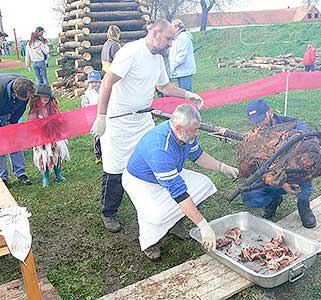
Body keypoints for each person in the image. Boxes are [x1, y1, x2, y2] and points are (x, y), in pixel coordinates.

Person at [90, 19, 206, 233]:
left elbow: (164, 86)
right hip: (118, 121)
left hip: (142, 119)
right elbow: (106, 82)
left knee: (154, 163)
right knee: (114, 168)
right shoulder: (130, 52)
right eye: (168, 38)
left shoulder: (157, 59)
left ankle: (166, 212)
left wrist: (187, 94)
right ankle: (109, 212)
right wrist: (101, 117)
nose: (171, 43)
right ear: (155, 33)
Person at [122, 104, 239, 260]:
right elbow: (179, 193)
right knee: (155, 216)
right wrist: (203, 225)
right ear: (178, 128)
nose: (197, 133)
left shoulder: (187, 133)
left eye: (198, 128)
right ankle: (150, 242)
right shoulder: (159, 149)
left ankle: (176, 223)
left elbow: (197, 155)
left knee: (204, 184)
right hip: (141, 181)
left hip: (170, 173)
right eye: (194, 130)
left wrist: (222, 167)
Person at [242, 99, 316, 228]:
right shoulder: (256, 133)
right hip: (270, 173)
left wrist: (291, 138)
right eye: (255, 122)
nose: (259, 125)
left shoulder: (293, 123)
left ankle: (303, 205)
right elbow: (258, 165)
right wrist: (282, 184)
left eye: (261, 120)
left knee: (306, 180)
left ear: (270, 112)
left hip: (293, 172)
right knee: (250, 197)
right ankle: (273, 200)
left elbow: (303, 130)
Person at [28, 84, 70, 187]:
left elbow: (60, 118)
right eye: (43, 96)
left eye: (47, 96)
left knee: (57, 154)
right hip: (42, 138)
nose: (45, 98)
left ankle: (58, 173)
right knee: (44, 157)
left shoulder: (53, 108)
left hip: (55, 136)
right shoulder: (34, 111)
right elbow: (32, 124)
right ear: (38, 97)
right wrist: (41, 124)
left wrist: (59, 120)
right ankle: (45, 177)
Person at [0, 74, 36, 187]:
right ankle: (2, 177)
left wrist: (13, 122)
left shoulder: (25, 86)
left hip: (10, 114)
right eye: (25, 98)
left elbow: (21, 107)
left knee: (15, 144)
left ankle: (21, 173)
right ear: (15, 93)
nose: (27, 100)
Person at [169, 19, 196, 92]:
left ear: (177, 27)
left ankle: (189, 103)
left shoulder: (183, 38)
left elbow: (182, 56)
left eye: (172, 28)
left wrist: (173, 66)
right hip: (180, 70)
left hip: (184, 70)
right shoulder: (178, 38)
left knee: (186, 92)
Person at [81, 70, 102, 164]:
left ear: (100, 82)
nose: (94, 84)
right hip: (93, 119)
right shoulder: (87, 94)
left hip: (104, 116)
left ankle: (107, 153)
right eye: (92, 82)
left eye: (96, 82)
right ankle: (98, 155)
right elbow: (84, 107)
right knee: (97, 137)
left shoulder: (104, 90)